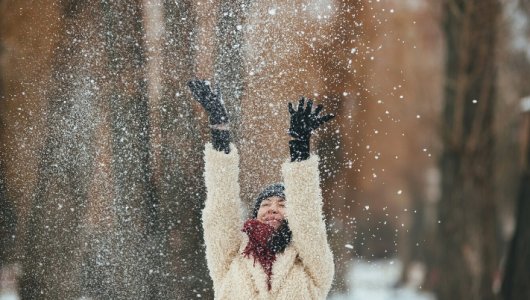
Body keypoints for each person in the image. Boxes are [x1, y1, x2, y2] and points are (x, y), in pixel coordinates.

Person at [188, 80, 335, 299]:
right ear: (255, 214)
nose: (272, 209)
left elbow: (307, 219)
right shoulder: (231, 257)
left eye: (282, 204)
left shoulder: (310, 264)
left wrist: (300, 151)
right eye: (265, 204)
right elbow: (221, 209)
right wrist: (219, 132)